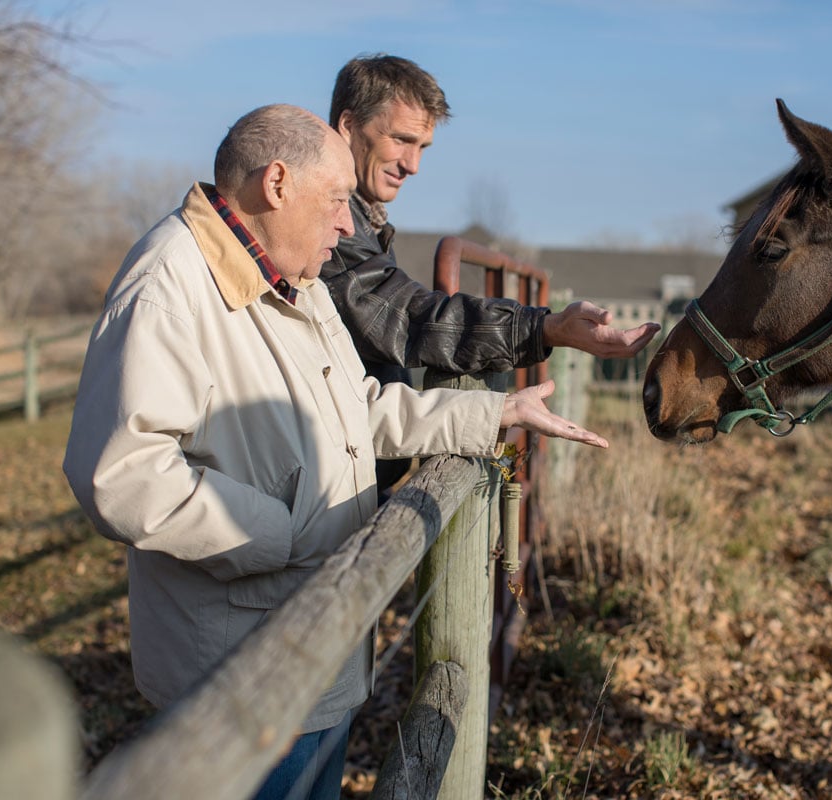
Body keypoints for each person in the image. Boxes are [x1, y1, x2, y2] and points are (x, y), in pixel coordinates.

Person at [61, 104, 607, 800]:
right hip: (242, 667)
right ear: (277, 184)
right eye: (336, 201)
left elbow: (358, 410)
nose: (349, 225)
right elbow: (122, 474)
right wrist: (283, 530)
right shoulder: (169, 284)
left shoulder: (297, 281)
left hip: (315, 635)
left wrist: (494, 410)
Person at [322, 54, 661, 490]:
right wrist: (547, 328)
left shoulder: (360, 217)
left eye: (422, 147)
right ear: (348, 126)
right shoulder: (322, 222)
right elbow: (404, 316)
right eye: (401, 140)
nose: (413, 165)